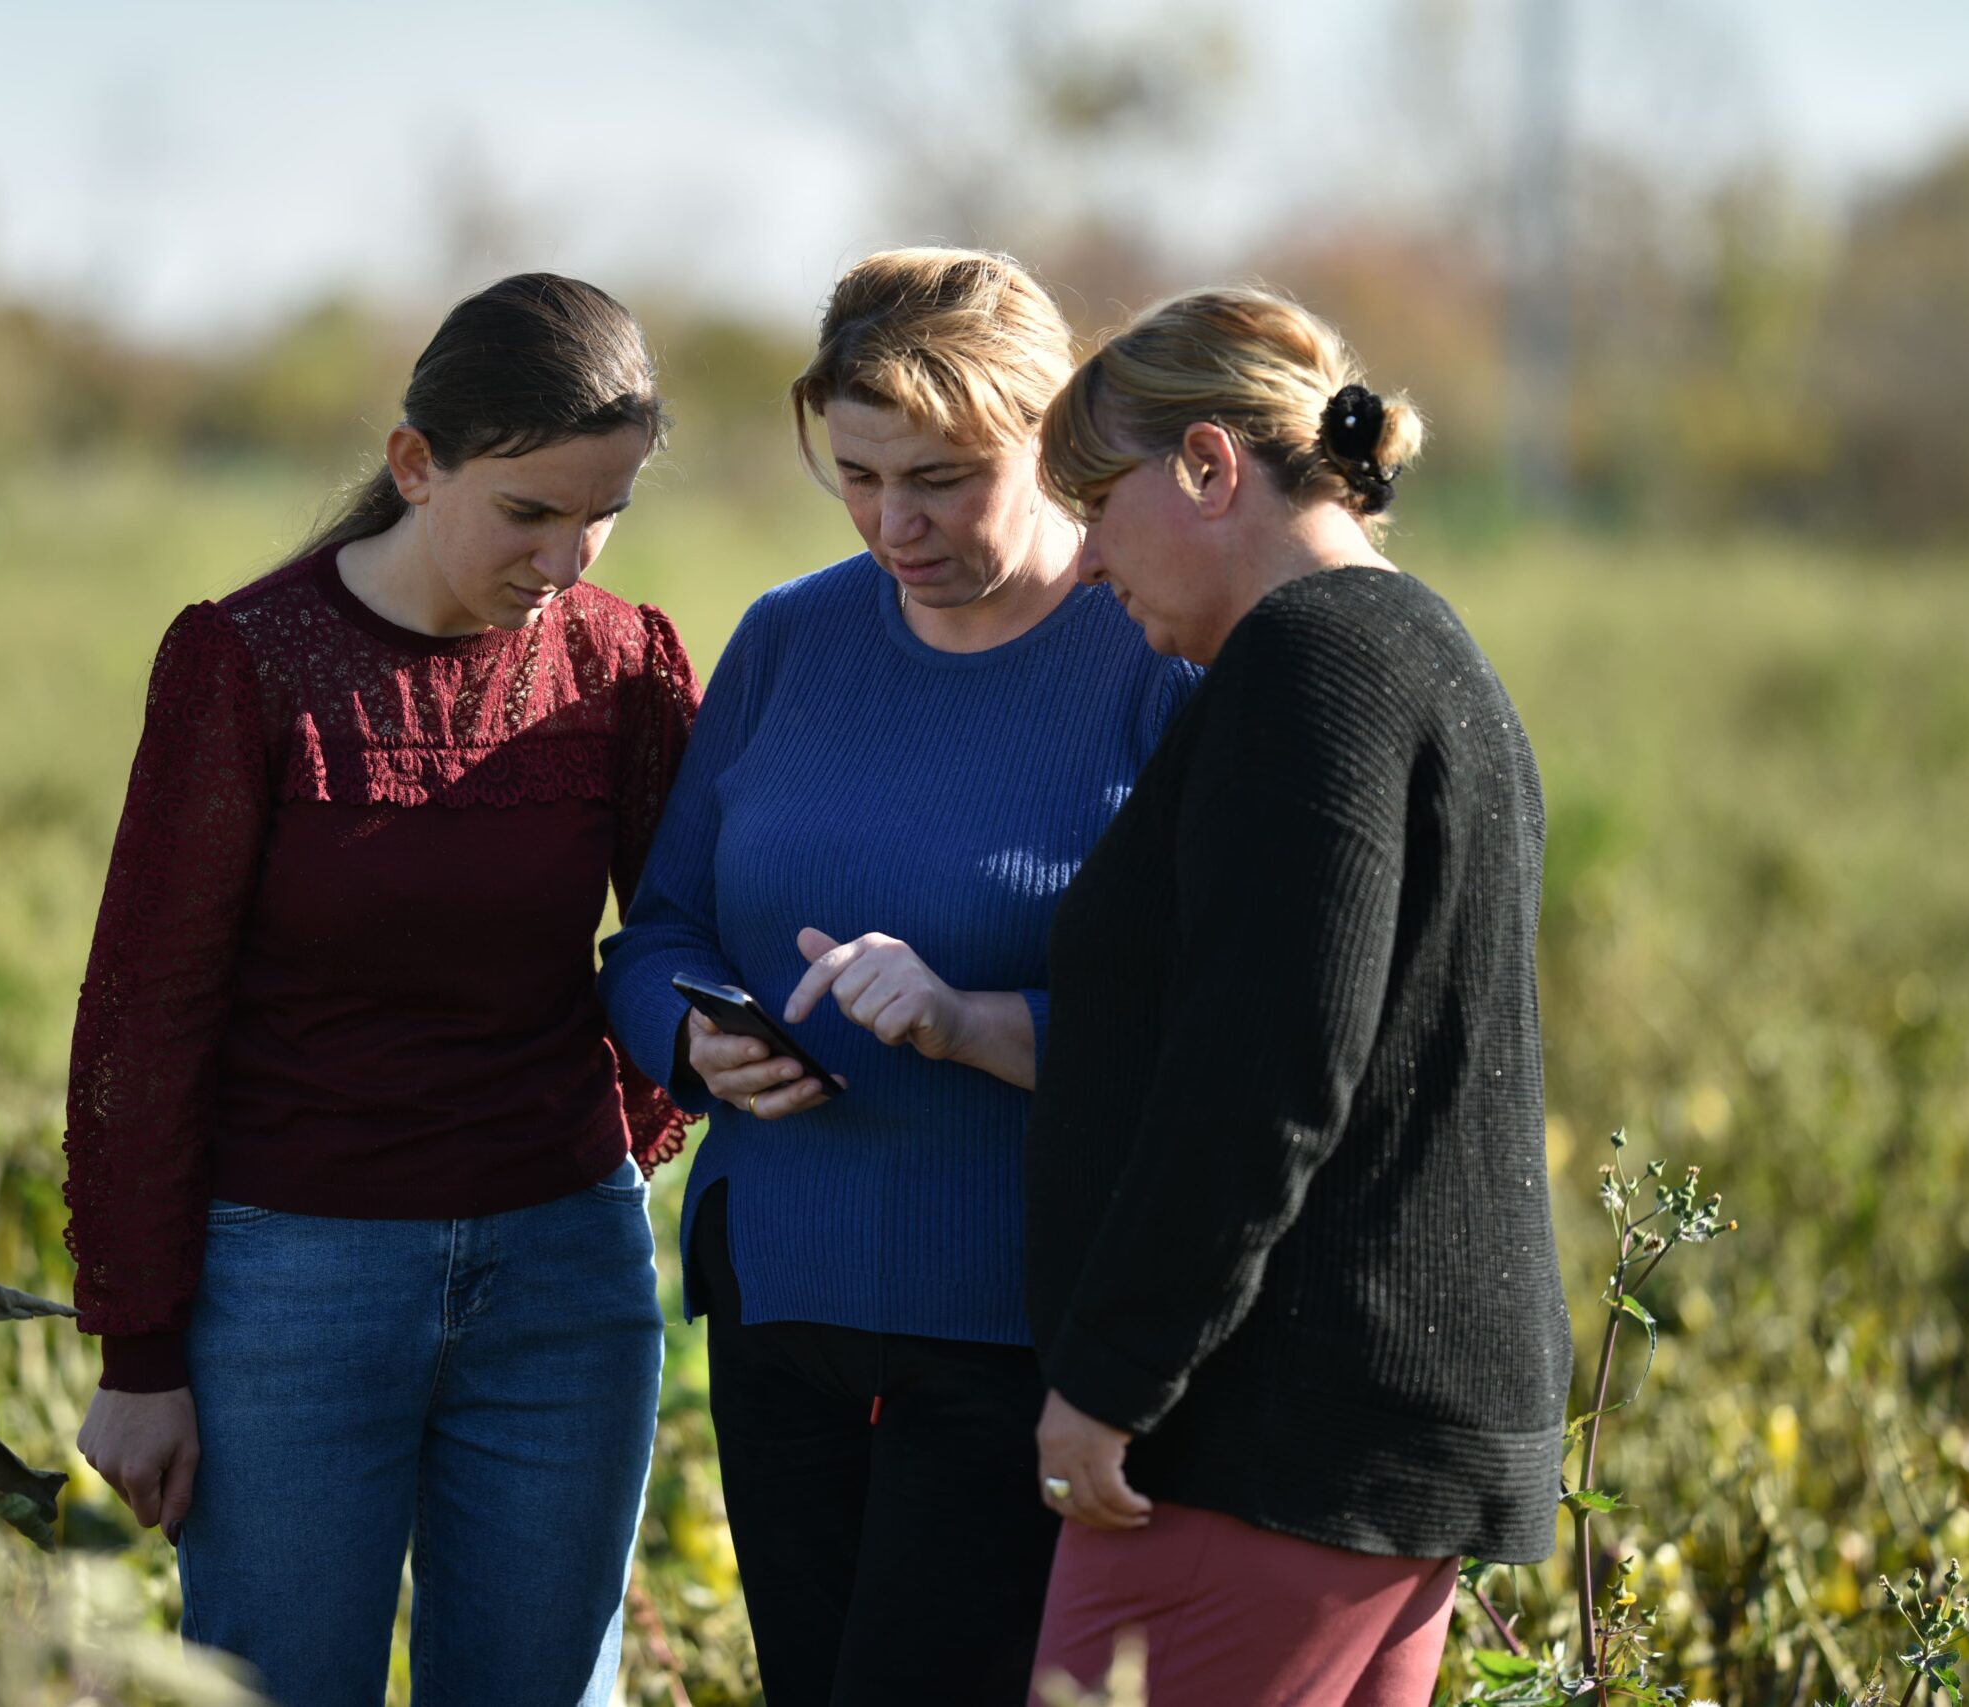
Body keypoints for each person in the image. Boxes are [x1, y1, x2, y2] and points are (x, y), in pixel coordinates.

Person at [61, 273, 699, 1707]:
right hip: (294, 1290)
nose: (565, 557)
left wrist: (620, 1143)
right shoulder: (248, 663)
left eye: (602, 514)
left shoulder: (621, 664)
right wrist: (141, 1355)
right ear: (416, 464)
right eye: (527, 511)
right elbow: (145, 1014)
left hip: (564, 1285)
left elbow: (684, 932)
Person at [598, 248, 1199, 1705]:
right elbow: (659, 931)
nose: (893, 524)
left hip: (1018, 1326)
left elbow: (1215, 1025)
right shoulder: (790, 638)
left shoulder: (1156, 656)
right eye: (858, 478)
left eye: (941, 480)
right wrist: (691, 1036)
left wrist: (968, 1020)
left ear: (1050, 440)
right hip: (781, 1303)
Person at [1021, 285, 1573, 1706]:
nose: (1086, 562)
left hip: (1260, 1442)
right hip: (1374, 1441)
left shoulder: (1305, 665)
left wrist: (1114, 1376)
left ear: (1209, 467)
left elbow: (1264, 1070)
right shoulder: (1425, 648)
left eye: (1098, 505)